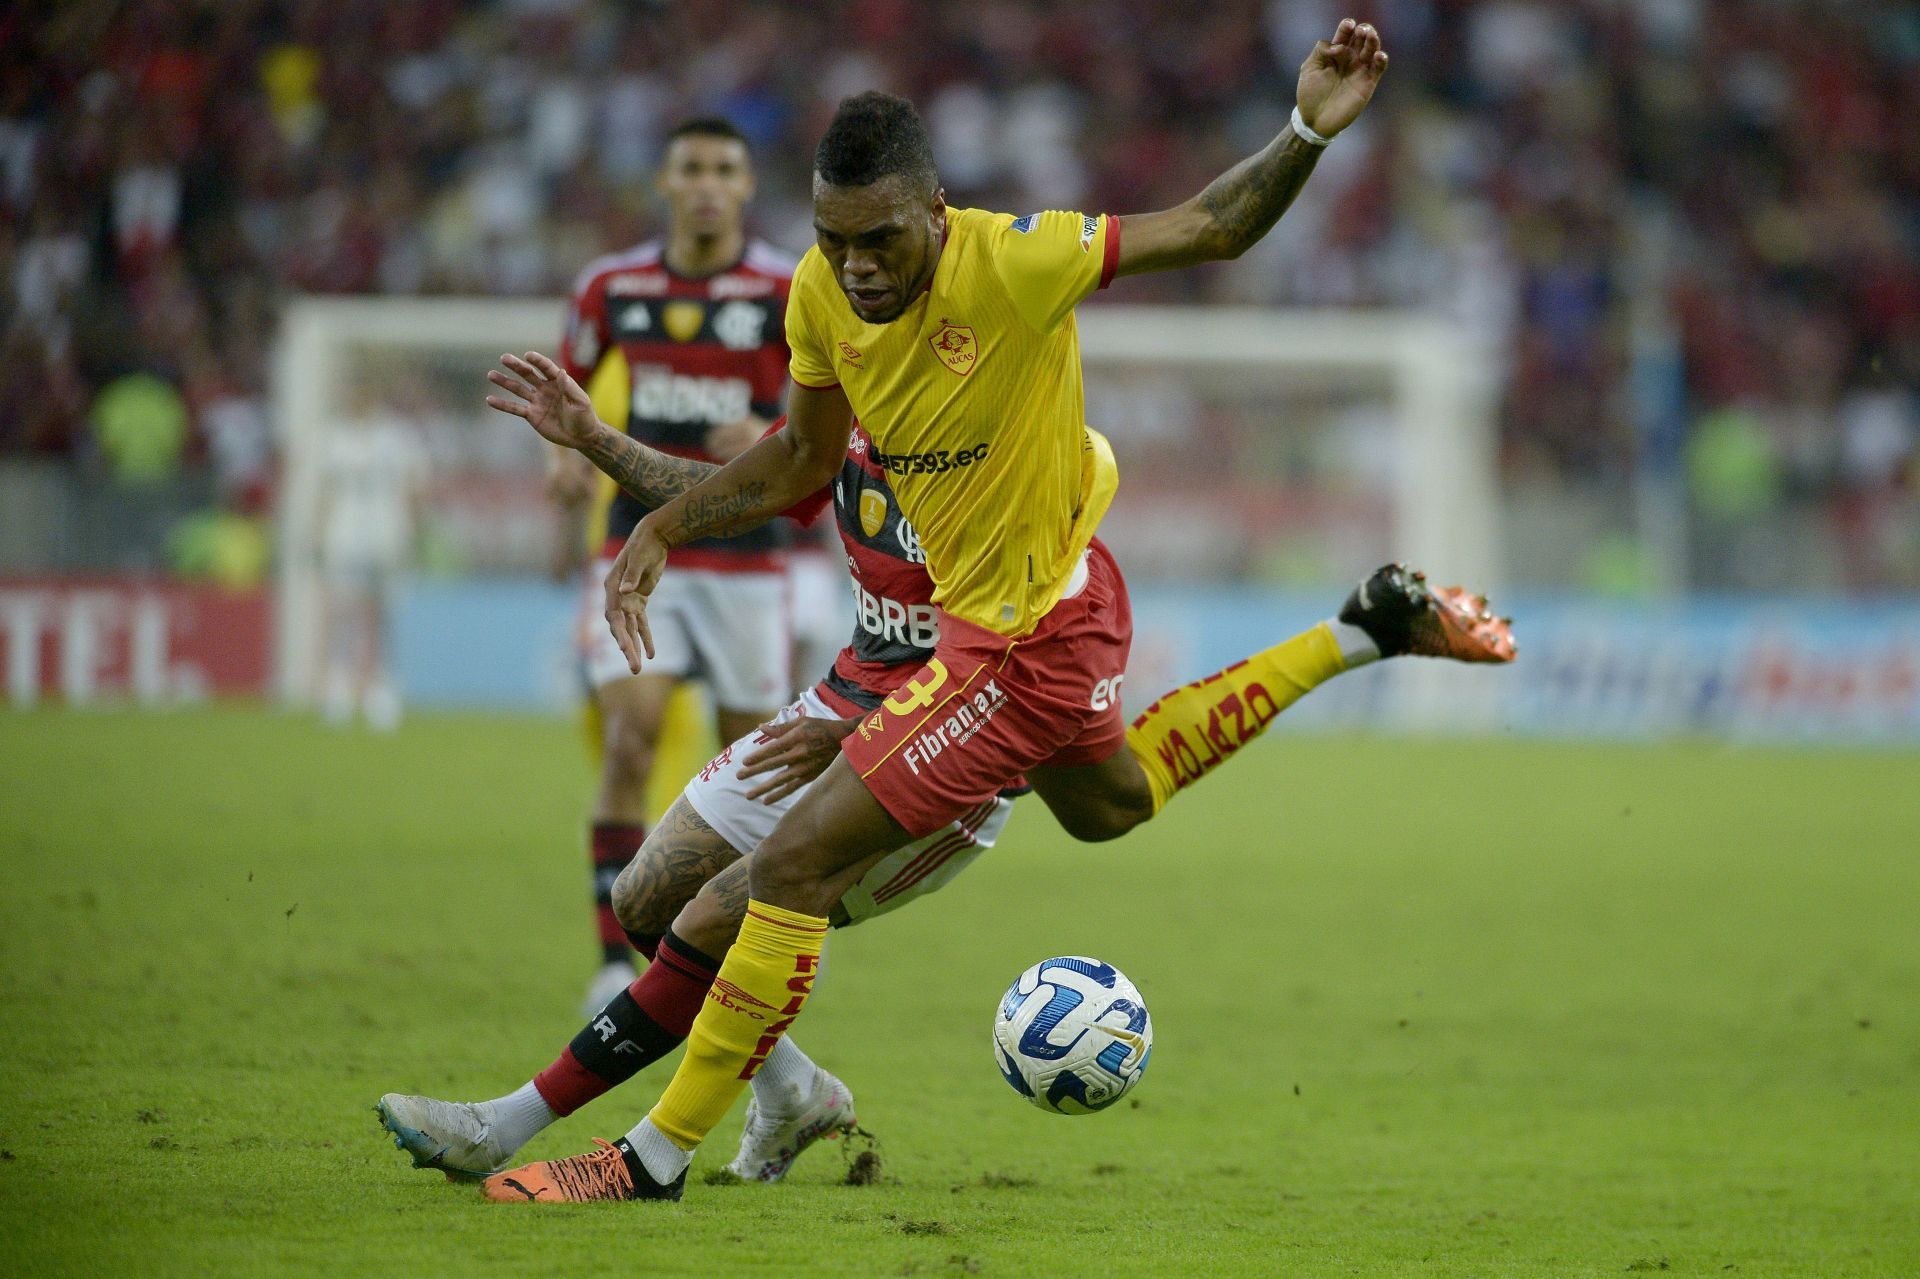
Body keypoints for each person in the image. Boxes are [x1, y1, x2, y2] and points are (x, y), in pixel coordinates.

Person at [376, 339, 1510, 1189]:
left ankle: (532, 1128)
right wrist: (596, 442)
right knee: (648, 899)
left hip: (960, 730)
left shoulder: (1035, 485)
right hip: (850, 691)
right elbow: (745, 488)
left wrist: (873, 720)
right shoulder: (863, 422)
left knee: (756, 898)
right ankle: (793, 1088)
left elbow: (1005, 640)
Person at [551, 117, 801, 1014]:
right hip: (636, 545)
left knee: (753, 773)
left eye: (724, 169)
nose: (706, 183)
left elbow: (832, 411)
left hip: (749, 560)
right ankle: (616, 962)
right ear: (665, 178)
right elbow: (568, 393)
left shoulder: (786, 286)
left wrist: (768, 434)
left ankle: (723, 959)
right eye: (690, 166)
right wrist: (561, 462)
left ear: (745, 185)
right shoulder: (611, 286)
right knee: (631, 740)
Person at [313, 393, 428, 730]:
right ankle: (338, 688)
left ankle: (383, 689)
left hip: (387, 536)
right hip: (344, 536)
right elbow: (325, 492)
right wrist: (319, 535)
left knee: (385, 615)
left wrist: (413, 533)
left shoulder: (397, 437)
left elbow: (415, 485)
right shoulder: (334, 439)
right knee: (342, 612)